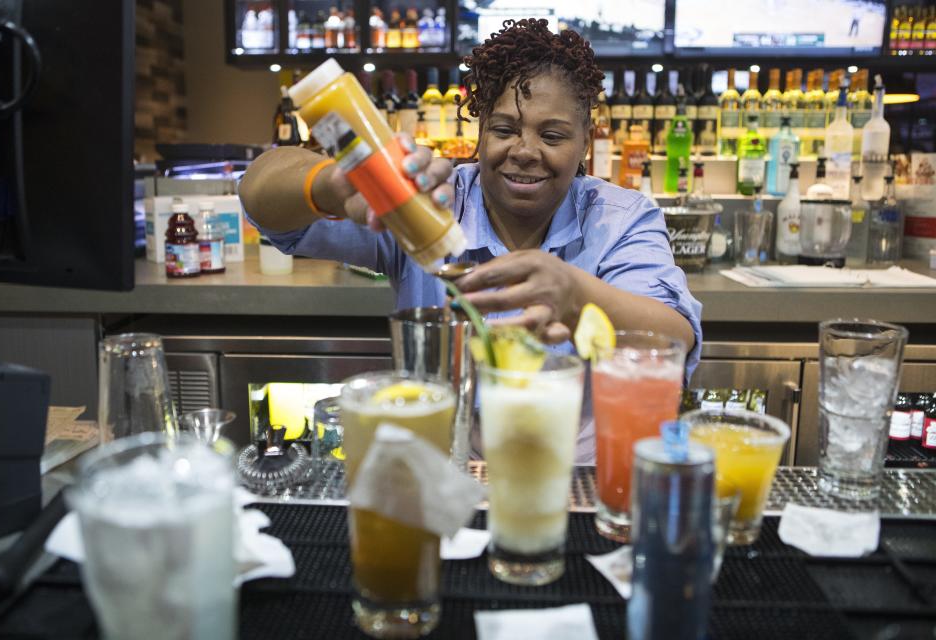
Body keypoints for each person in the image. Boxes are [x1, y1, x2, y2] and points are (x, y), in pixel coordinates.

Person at [240, 18, 702, 462]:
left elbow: (674, 339)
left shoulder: (620, 219)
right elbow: (260, 197)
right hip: (441, 467)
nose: (523, 151)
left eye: (553, 135)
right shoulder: (427, 206)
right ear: (479, 131)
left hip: (573, 479)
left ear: (586, 140)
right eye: (503, 129)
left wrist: (576, 293)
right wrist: (336, 187)